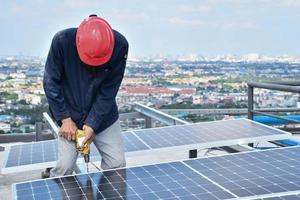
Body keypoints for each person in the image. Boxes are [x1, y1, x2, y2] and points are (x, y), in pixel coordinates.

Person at [43, 14, 128, 177]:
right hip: (69, 115)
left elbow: (109, 90)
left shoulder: (120, 45)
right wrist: (65, 119)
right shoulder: (62, 41)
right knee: (64, 167)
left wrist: (92, 124)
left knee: (117, 164)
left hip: (104, 115)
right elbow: (50, 82)